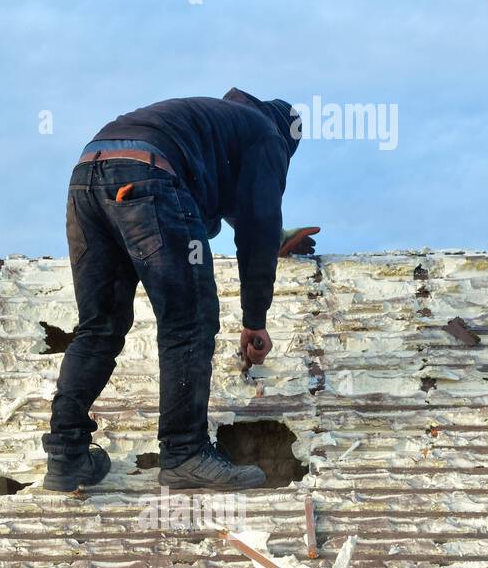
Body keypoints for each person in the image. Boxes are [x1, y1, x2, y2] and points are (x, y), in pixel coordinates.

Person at [43, 88, 309, 492]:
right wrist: (255, 320)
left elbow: (228, 213)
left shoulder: (213, 122)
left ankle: (65, 454)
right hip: (148, 178)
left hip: (88, 178)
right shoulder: (268, 135)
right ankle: (185, 453)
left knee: (100, 324)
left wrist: (276, 237)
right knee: (190, 317)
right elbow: (256, 226)